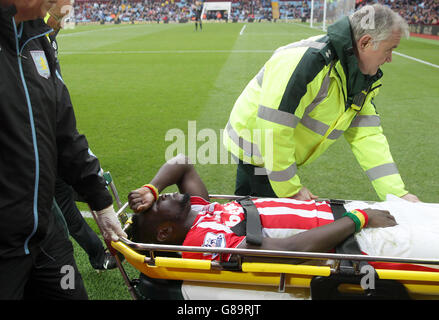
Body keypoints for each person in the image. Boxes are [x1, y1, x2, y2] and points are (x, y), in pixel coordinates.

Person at [222, 4, 420, 203]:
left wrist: (397, 193)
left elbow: (367, 135)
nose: (390, 58)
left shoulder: (359, 78)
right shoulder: (308, 62)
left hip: (266, 148)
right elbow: (273, 130)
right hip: (257, 149)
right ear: (366, 42)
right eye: (389, 49)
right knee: (267, 219)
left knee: (249, 211)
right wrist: (290, 190)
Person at [0, 0, 126, 299]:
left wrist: (100, 201)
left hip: (45, 234)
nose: (66, 3)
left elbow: (64, 131)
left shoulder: (37, 41)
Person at [128, 154, 439, 270]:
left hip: (351, 216)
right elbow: (291, 251)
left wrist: (150, 188)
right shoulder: (204, 240)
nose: (161, 196)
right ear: (164, 232)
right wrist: (360, 219)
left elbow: (182, 161)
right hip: (361, 240)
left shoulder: (199, 210)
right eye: (155, 205)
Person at [44, 0, 117, 271]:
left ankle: (95, 253)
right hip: (38, 149)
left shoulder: (43, 38)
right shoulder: (32, 39)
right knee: (60, 210)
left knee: (63, 201)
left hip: (53, 142)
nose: (67, 12)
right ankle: (94, 255)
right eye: (62, 8)